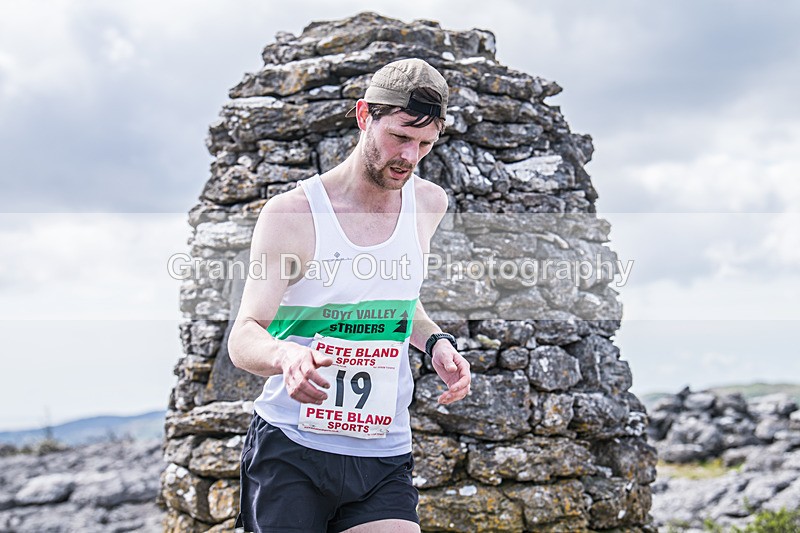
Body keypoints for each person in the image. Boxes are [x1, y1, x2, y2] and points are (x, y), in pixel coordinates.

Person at [228, 58, 471, 533]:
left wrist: (436, 342)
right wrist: (285, 356)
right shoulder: (292, 214)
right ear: (364, 116)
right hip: (292, 449)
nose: (409, 156)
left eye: (425, 144)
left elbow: (399, 300)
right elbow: (244, 335)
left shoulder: (428, 203)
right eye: (399, 136)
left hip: (383, 451)